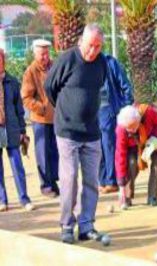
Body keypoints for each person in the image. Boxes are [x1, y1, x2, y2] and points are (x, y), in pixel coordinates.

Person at [45, 24, 107, 244]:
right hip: (67, 132)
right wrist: (66, 111)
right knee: (70, 178)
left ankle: (86, 225)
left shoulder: (101, 63)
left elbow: (99, 86)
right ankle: (66, 225)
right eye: (91, 45)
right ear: (82, 41)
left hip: (92, 133)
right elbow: (50, 87)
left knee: (91, 180)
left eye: (98, 47)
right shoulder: (67, 59)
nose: (93, 51)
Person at [21, 39, 59, 198]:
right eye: (41, 54)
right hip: (40, 119)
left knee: (55, 152)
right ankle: (46, 185)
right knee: (42, 154)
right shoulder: (30, 71)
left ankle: (53, 181)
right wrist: (42, 108)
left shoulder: (55, 66)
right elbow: (26, 97)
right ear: (35, 54)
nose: (45, 57)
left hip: (57, 118)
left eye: (46, 53)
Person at [0, 48, 35, 212]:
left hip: (12, 129)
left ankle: (24, 198)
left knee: (17, 165)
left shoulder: (12, 82)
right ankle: (2, 200)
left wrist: (22, 130)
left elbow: (19, 109)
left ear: (3, 61)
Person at [115, 104, 157, 209]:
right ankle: (126, 197)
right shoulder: (121, 129)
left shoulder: (150, 113)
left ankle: (152, 197)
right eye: (128, 129)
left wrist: (154, 140)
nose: (131, 131)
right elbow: (120, 156)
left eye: (133, 127)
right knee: (131, 163)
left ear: (138, 119)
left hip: (151, 140)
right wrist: (121, 185)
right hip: (134, 146)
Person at [98, 55, 134, 194]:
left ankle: (112, 181)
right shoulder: (84, 63)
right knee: (97, 146)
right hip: (91, 111)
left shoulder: (110, 62)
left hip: (108, 110)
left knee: (109, 145)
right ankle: (102, 180)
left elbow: (125, 87)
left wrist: (122, 108)